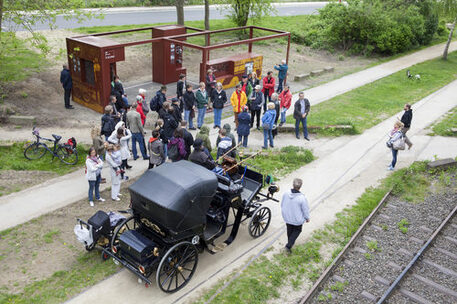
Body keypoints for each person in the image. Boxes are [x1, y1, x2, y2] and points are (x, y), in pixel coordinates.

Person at [281, 178, 310, 253]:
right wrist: (307, 218)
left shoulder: (286, 193)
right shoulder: (302, 198)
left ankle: (289, 241)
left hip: (287, 217)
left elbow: (282, 204)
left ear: (293, 185)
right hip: (297, 220)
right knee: (297, 230)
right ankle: (288, 246)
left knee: (289, 230)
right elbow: (305, 210)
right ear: (300, 186)